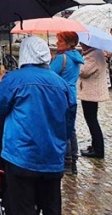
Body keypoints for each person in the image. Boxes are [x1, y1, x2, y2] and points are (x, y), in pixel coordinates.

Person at [0, 36, 75, 215]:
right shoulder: (62, 84)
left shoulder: (14, 79)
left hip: (21, 156)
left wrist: (0, 84)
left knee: (21, 207)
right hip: (52, 157)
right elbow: (69, 123)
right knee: (51, 206)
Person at [50, 31, 84, 173]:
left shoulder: (62, 58)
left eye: (60, 41)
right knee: (71, 129)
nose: (57, 43)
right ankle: (73, 160)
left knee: (62, 129)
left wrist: (51, 61)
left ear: (68, 43)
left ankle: (66, 162)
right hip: (72, 96)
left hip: (61, 96)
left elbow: (50, 75)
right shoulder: (76, 57)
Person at [78, 43, 109, 159]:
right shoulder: (96, 52)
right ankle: (95, 146)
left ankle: (98, 150)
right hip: (91, 92)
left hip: (91, 93)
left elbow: (84, 71)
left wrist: (78, 62)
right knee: (92, 119)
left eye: (82, 44)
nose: (80, 45)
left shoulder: (93, 55)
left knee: (92, 121)